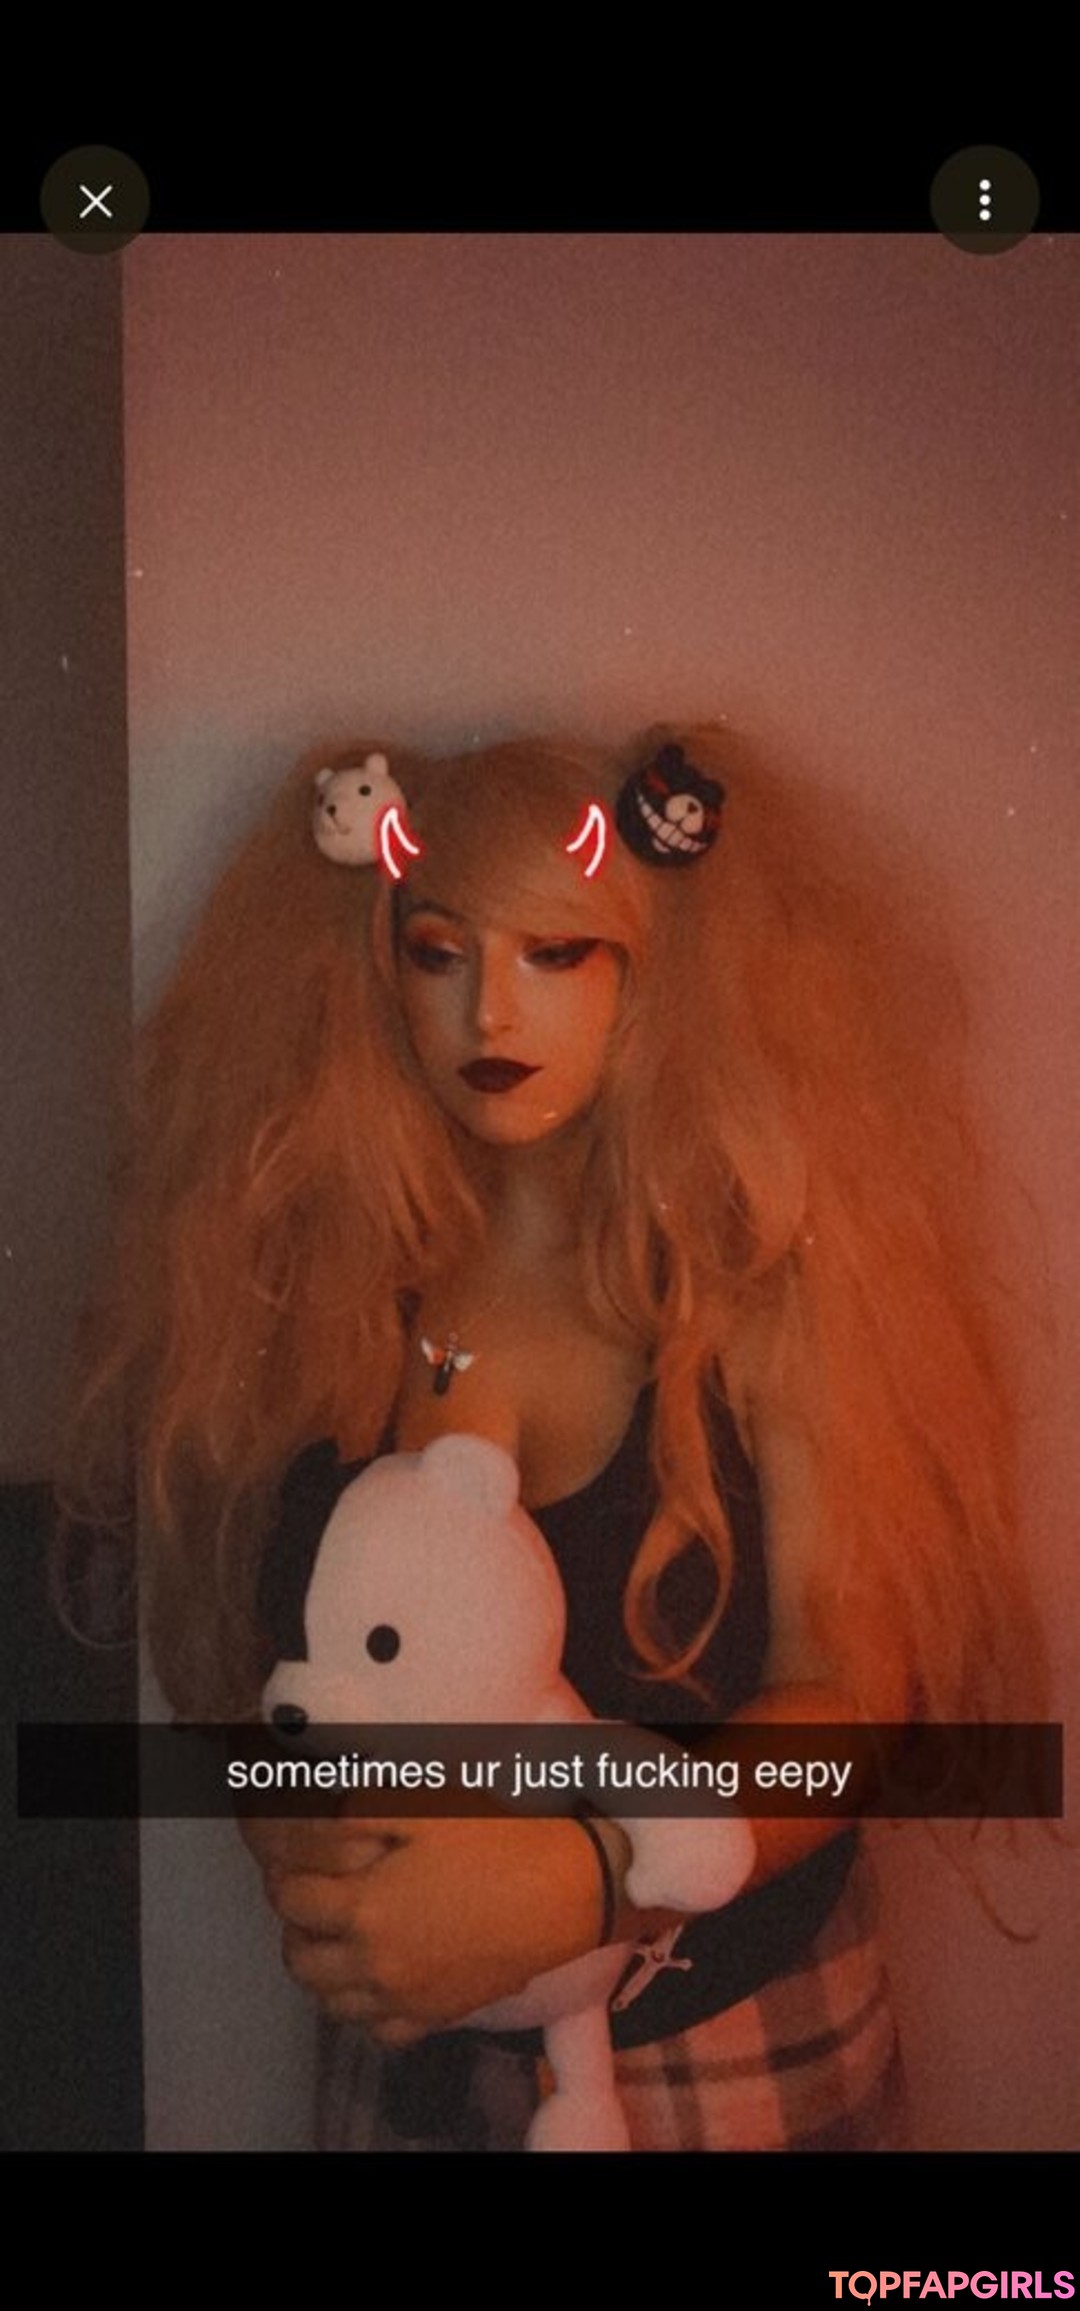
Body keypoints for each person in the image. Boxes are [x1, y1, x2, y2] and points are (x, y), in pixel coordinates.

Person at [65, 724, 1040, 2152]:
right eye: (438, 953)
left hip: (733, 2061)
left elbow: (848, 1694)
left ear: (657, 972)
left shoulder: (755, 1291)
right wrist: (301, 1830)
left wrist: (585, 1880)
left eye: (557, 953)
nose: (488, 1013)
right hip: (405, 2064)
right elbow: (262, 1653)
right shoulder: (326, 1294)